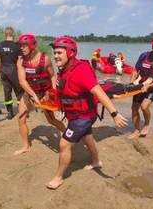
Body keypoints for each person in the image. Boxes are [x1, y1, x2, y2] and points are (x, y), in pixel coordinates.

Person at [46, 37, 128, 190]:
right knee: (87, 137)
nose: (55, 56)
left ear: (70, 53)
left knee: (64, 144)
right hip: (75, 114)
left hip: (83, 116)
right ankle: (96, 160)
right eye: (54, 52)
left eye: (59, 52)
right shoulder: (64, 68)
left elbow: (99, 92)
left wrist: (114, 114)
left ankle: (58, 178)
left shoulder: (81, 70)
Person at [16, 34, 66, 156]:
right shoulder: (21, 60)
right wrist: (33, 96)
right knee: (21, 118)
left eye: (24, 45)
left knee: (52, 120)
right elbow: (22, 81)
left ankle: (68, 134)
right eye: (20, 46)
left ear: (33, 45)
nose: (22, 48)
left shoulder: (45, 59)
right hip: (30, 92)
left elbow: (53, 76)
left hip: (45, 93)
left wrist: (53, 94)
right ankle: (25, 146)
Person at [0, 27, 24, 119]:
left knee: (7, 91)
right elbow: (20, 60)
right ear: (13, 34)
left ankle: (10, 113)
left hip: (3, 69)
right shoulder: (18, 45)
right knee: (19, 91)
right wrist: (22, 72)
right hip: (14, 69)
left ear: (5, 34)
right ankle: (22, 111)